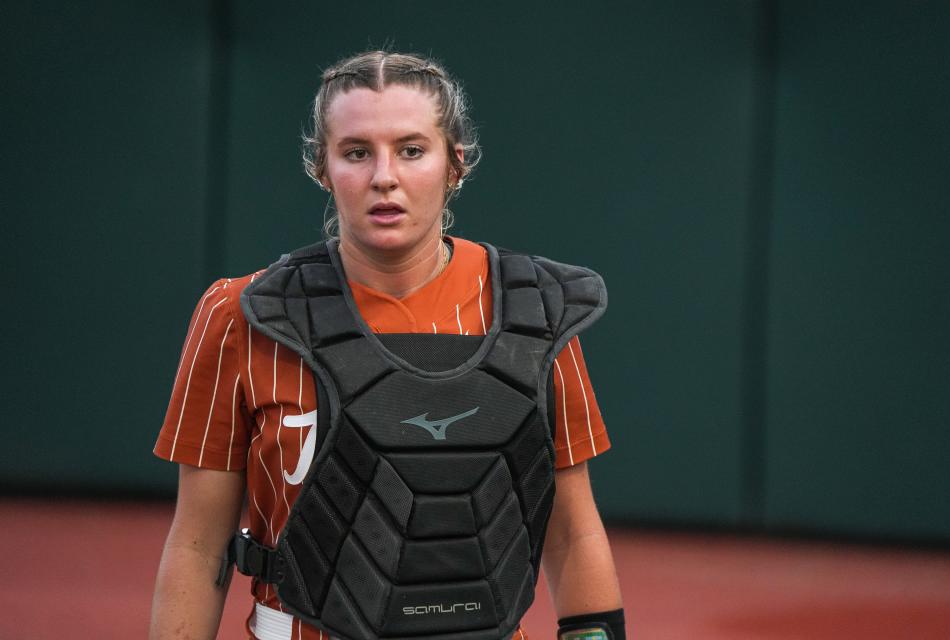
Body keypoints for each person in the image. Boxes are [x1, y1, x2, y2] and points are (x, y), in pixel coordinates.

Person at [150, 50, 623, 640]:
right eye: (355, 152)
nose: (384, 177)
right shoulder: (243, 315)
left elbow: (573, 533)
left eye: (411, 149)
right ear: (322, 167)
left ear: (456, 163)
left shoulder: (533, 314)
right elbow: (197, 546)